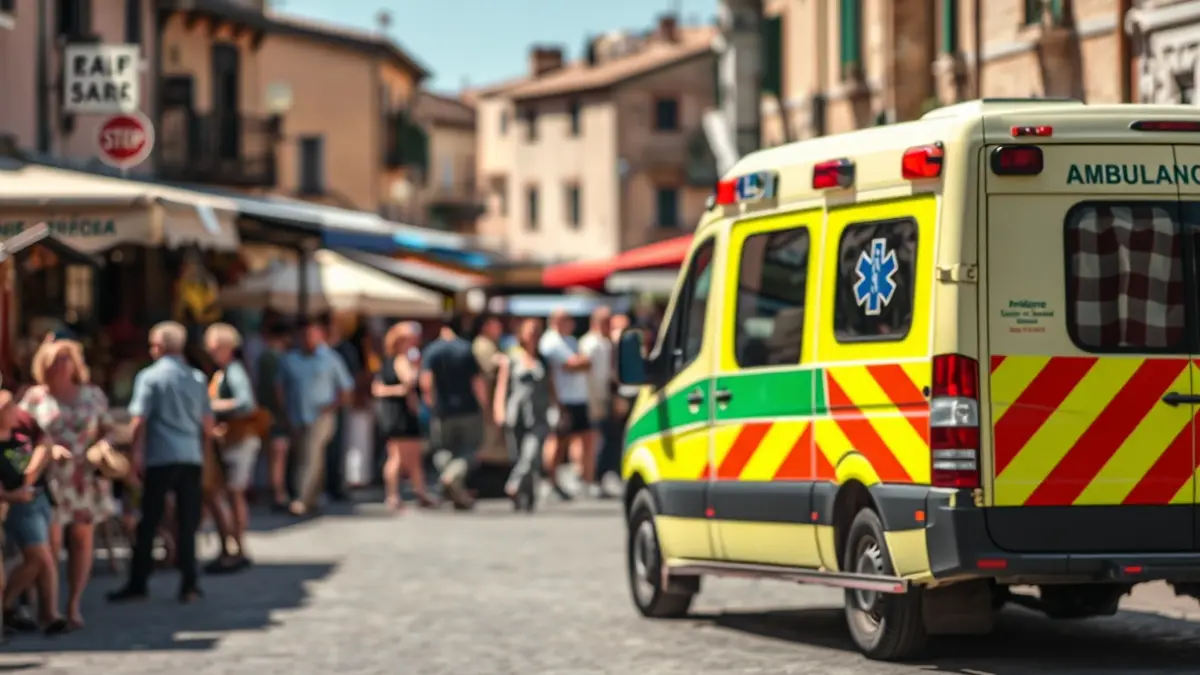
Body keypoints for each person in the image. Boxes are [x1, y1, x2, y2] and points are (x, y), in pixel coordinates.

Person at [109, 321, 212, 604]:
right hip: (190, 455)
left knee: (149, 520)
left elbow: (138, 421)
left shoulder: (150, 377)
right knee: (187, 522)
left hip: (161, 456)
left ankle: (138, 581)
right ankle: (189, 583)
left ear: (161, 347)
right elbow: (207, 424)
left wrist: (135, 454)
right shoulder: (197, 378)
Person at [19, 339, 115, 628]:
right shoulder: (35, 398)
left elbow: (108, 429)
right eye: (55, 360)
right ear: (44, 366)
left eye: (66, 359)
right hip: (51, 480)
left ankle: (73, 604)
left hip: (84, 477)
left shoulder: (92, 395)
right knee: (50, 544)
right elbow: (19, 436)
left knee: (82, 541)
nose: (61, 365)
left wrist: (103, 447)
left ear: (75, 363)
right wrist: (47, 450)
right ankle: (47, 607)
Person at [0, 390, 69, 635]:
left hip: (41, 498)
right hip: (19, 507)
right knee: (41, 558)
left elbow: (45, 444)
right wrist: (12, 495)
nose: (14, 413)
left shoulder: (22, 434)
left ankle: (18, 607)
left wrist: (33, 470)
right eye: (7, 409)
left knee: (44, 557)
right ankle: (46, 613)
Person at [277, 319, 354, 517]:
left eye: (311, 335)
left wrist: (331, 407)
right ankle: (313, 496)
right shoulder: (290, 359)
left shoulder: (331, 359)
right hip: (296, 415)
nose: (307, 340)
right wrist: (284, 410)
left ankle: (301, 499)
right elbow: (279, 386)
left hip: (322, 416)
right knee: (307, 457)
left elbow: (345, 389)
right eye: (303, 336)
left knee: (310, 456)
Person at [204, 323, 260, 571]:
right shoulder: (224, 372)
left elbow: (246, 403)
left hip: (239, 440)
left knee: (234, 493)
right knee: (229, 493)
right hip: (232, 441)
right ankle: (234, 545)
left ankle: (238, 546)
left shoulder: (234, 372)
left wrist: (212, 408)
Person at [419, 313, 488, 510]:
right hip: (468, 409)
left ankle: (455, 487)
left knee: (443, 450)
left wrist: (431, 405)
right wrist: (486, 407)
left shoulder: (432, 350)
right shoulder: (466, 349)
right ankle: (451, 477)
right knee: (469, 450)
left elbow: (426, 382)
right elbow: (478, 383)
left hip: (443, 410)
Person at [494, 319, 558, 512]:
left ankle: (513, 485)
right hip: (516, 414)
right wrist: (499, 409)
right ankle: (526, 498)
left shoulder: (544, 360)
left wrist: (558, 408)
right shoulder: (512, 358)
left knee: (531, 455)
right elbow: (502, 386)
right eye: (529, 332)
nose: (533, 336)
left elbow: (551, 387)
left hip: (538, 414)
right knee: (519, 456)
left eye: (536, 332)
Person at [375, 323, 435, 512]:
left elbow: (378, 388)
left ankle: (420, 492)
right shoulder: (401, 360)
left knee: (410, 457)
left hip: (395, 413)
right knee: (399, 457)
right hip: (401, 414)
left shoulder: (387, 362)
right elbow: (409, 381)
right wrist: (416, 369)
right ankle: (393, 496)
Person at [539, 309, 592, 501]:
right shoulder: (550, 342)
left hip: (578, 397)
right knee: (558, 441)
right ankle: (549, 481)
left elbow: (585, 362)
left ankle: (580, 479)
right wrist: (580, 363)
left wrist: (581, 362)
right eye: (567, 320)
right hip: (561, 399)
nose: (571, 324)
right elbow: (575, 363)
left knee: (582, 438)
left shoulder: (570, 340)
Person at [578, 307, 614, 498]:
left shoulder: (606, 343)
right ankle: (588, 478)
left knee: (598, 440)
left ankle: (593, 477)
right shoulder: (589, 343)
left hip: (602, 396)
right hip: (590, 397)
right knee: (592, 440)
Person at [256, 320, 292, 510]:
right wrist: (285, 410)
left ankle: (274, 490)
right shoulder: (277, 358)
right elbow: (279, 388)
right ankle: (279, 493)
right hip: (276, 413)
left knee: (271, 455)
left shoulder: (264, 357)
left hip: (265, 411)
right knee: (278, 454)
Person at [472, 314, 506, 465]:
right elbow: (488, 374)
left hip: (493, 400)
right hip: (487, 400)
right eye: (495, 324)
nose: (499, 328)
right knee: (488, 443)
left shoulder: (493, 344)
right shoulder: (482, 345)